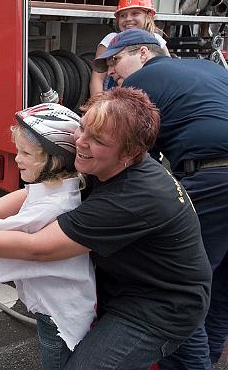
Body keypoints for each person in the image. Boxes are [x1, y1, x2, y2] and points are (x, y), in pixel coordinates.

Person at [0, 88, 212, 370]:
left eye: (98, 140)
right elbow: (35, 192)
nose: (80, 142)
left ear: (128, 154)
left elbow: (39, 248)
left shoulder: (132, 197)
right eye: (84, 128)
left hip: (158, 305)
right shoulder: (103, 165)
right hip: (129, 283)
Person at [95, 28, 228, 369]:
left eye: (116, 59)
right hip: (216, 172)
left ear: (144, 53)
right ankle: (206, 361)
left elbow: (124, 155)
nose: (111, 71)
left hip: (215, 177)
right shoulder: (209, 67)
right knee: (220, 286)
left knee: (179, 289)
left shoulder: (142, 83)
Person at [0, 102, 96, 369]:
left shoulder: (55, 205)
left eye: (25, 152)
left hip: (59, 316)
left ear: (55, 159)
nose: (16, 158)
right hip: (63, 307)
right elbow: (26, 193)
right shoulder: (59, 188)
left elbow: (6, 235)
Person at [89, 0, 169, 96]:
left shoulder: (158, 40)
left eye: (135, 13)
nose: (128, 19)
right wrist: (98, 106)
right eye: (123, 15)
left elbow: (167, 71)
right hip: (114, 98)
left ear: (149, 16)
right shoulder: (111, 40)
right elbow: (98, 78)